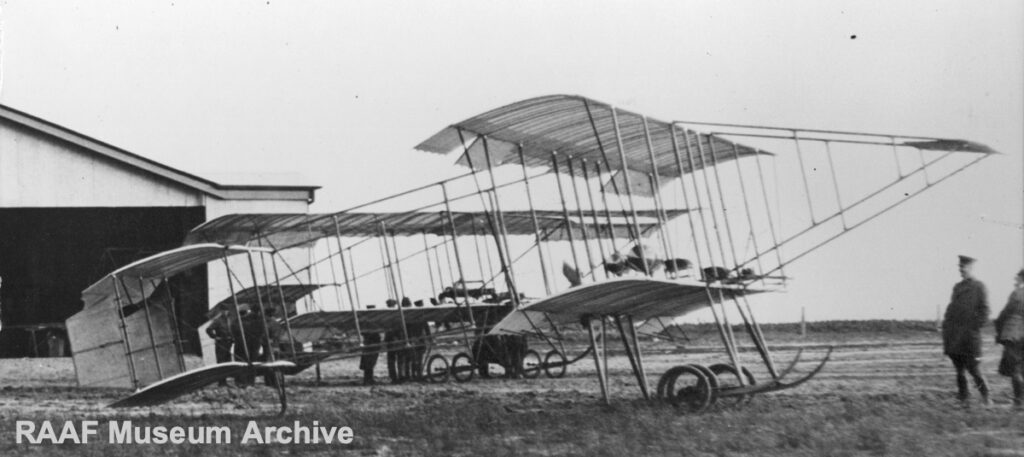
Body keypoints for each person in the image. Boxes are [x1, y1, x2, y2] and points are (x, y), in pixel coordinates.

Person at [942, 255, 991, 406]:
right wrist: (947, 325)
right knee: (959, 370)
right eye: (960, 267)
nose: (961, 270)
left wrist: (974, 326)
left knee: (974, 369)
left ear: (971, 268)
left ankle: (986, 397)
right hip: (955, 336)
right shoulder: (957, 287)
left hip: (969, 337)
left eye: (964, 267)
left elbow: (985, 310)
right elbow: (951, 308)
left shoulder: (979, 286)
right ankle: (964, 399)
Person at [995, 268, 1024, 408]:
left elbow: (1004, 314)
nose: (1015, 280)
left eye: (1017, 278)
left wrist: (999, 332)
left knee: (1015, 370)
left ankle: (1018, 402)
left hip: (1014, 334)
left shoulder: (1016, 293)